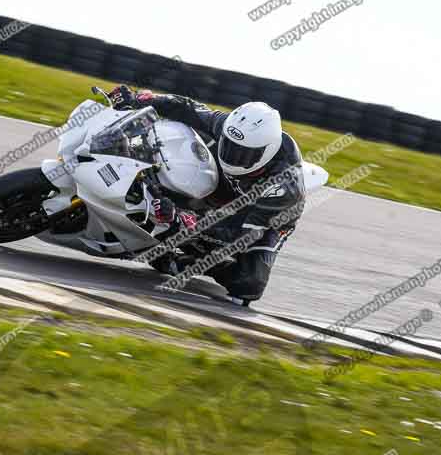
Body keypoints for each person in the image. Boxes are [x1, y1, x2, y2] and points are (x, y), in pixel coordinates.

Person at [108, 84, 306, 304]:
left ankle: (176, 262)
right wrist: (140, 100)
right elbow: (188, 108)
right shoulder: (231, 127)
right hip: (226, 188)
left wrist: (186, 221)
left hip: (260, 218)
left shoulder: (284, 189)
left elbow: (238, 235)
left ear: (266, 152)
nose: (233, 156)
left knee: (249, 284)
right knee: (191, 132)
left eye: (243, 154)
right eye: (230, 146)